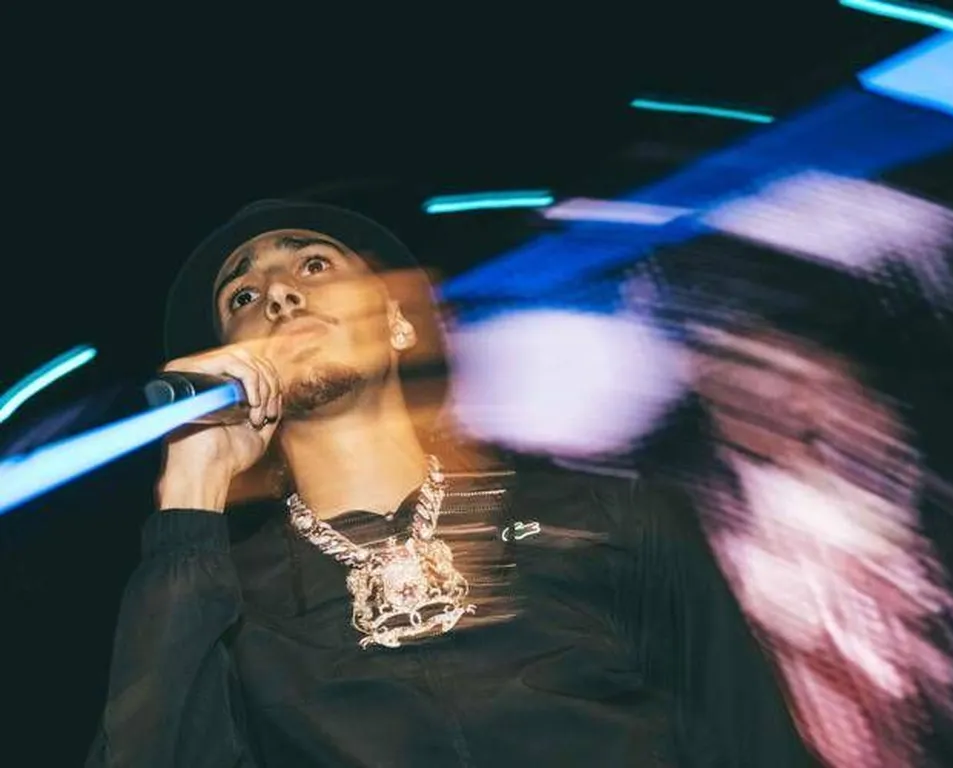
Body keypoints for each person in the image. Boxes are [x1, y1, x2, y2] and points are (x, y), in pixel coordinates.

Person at [85, 199, 813, 767]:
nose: (278, 294)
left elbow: (751, 744)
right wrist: (191, 494)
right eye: (242, 298)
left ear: (398, 324)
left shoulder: (605, 517)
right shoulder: (223, 604)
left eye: (314, 265)